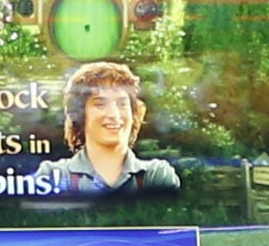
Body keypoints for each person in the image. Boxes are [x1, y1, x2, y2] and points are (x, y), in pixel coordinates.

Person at [32, 59, 177, 198]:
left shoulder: (156, 174)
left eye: (122, 104)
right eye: (100, 104)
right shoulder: (53, 174)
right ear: (80, 114)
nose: (114, 115)